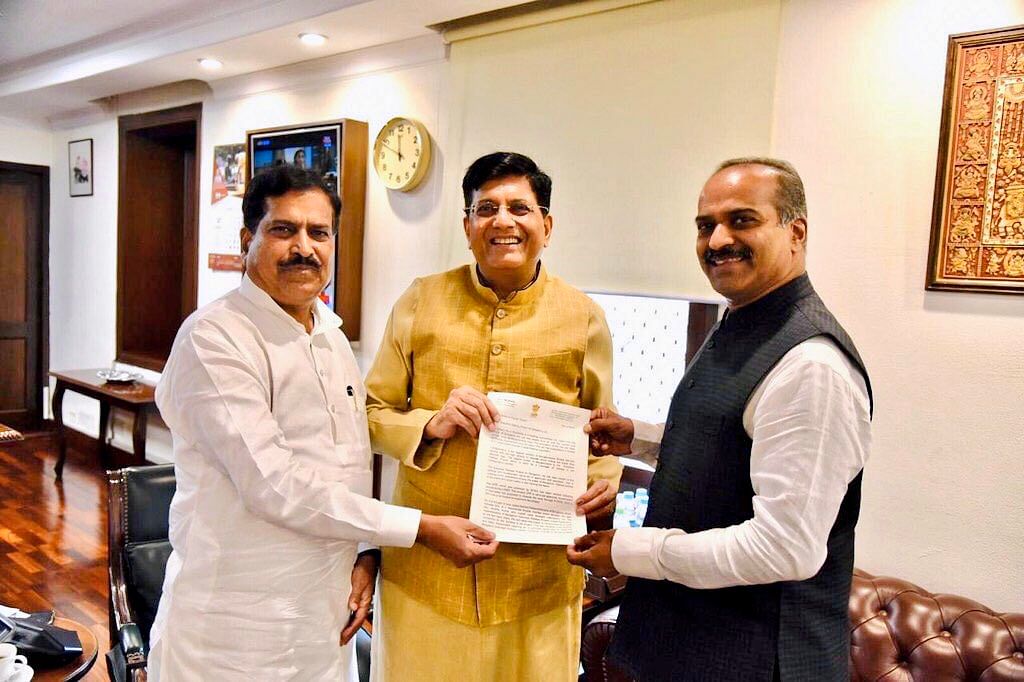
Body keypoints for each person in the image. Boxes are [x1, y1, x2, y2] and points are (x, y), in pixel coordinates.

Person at [148, 164, 497, 681]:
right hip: (234, 629)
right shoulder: (214, 338)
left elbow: (349, 462)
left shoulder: (329, 335)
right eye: (284, 230)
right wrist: (419, 529)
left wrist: (367, 553)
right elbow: (274, 485)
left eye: (319, 233)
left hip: (326, 619)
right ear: (249, 239)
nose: (304, 248)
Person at [568, 158, 873, 681]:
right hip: (684, 647)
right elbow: (734, 444)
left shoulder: (812, 366)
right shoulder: (742, 316)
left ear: (795, 232)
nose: (717, 241)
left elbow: (784, 547)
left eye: (742, 220)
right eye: (706, 225)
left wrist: (630, 550)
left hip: (753, 661)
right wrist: (637, 440)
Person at [364, 152, 622, 681]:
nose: (503, 221)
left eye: (519, 208)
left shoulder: (584, 317)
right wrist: (430, 422)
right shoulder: (419, 301)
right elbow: (371, 412)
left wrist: (604, 481)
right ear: (467, 226)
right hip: (426, 572)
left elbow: (600, 432)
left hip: (538, 579)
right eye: (487, 208)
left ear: (546, 226)